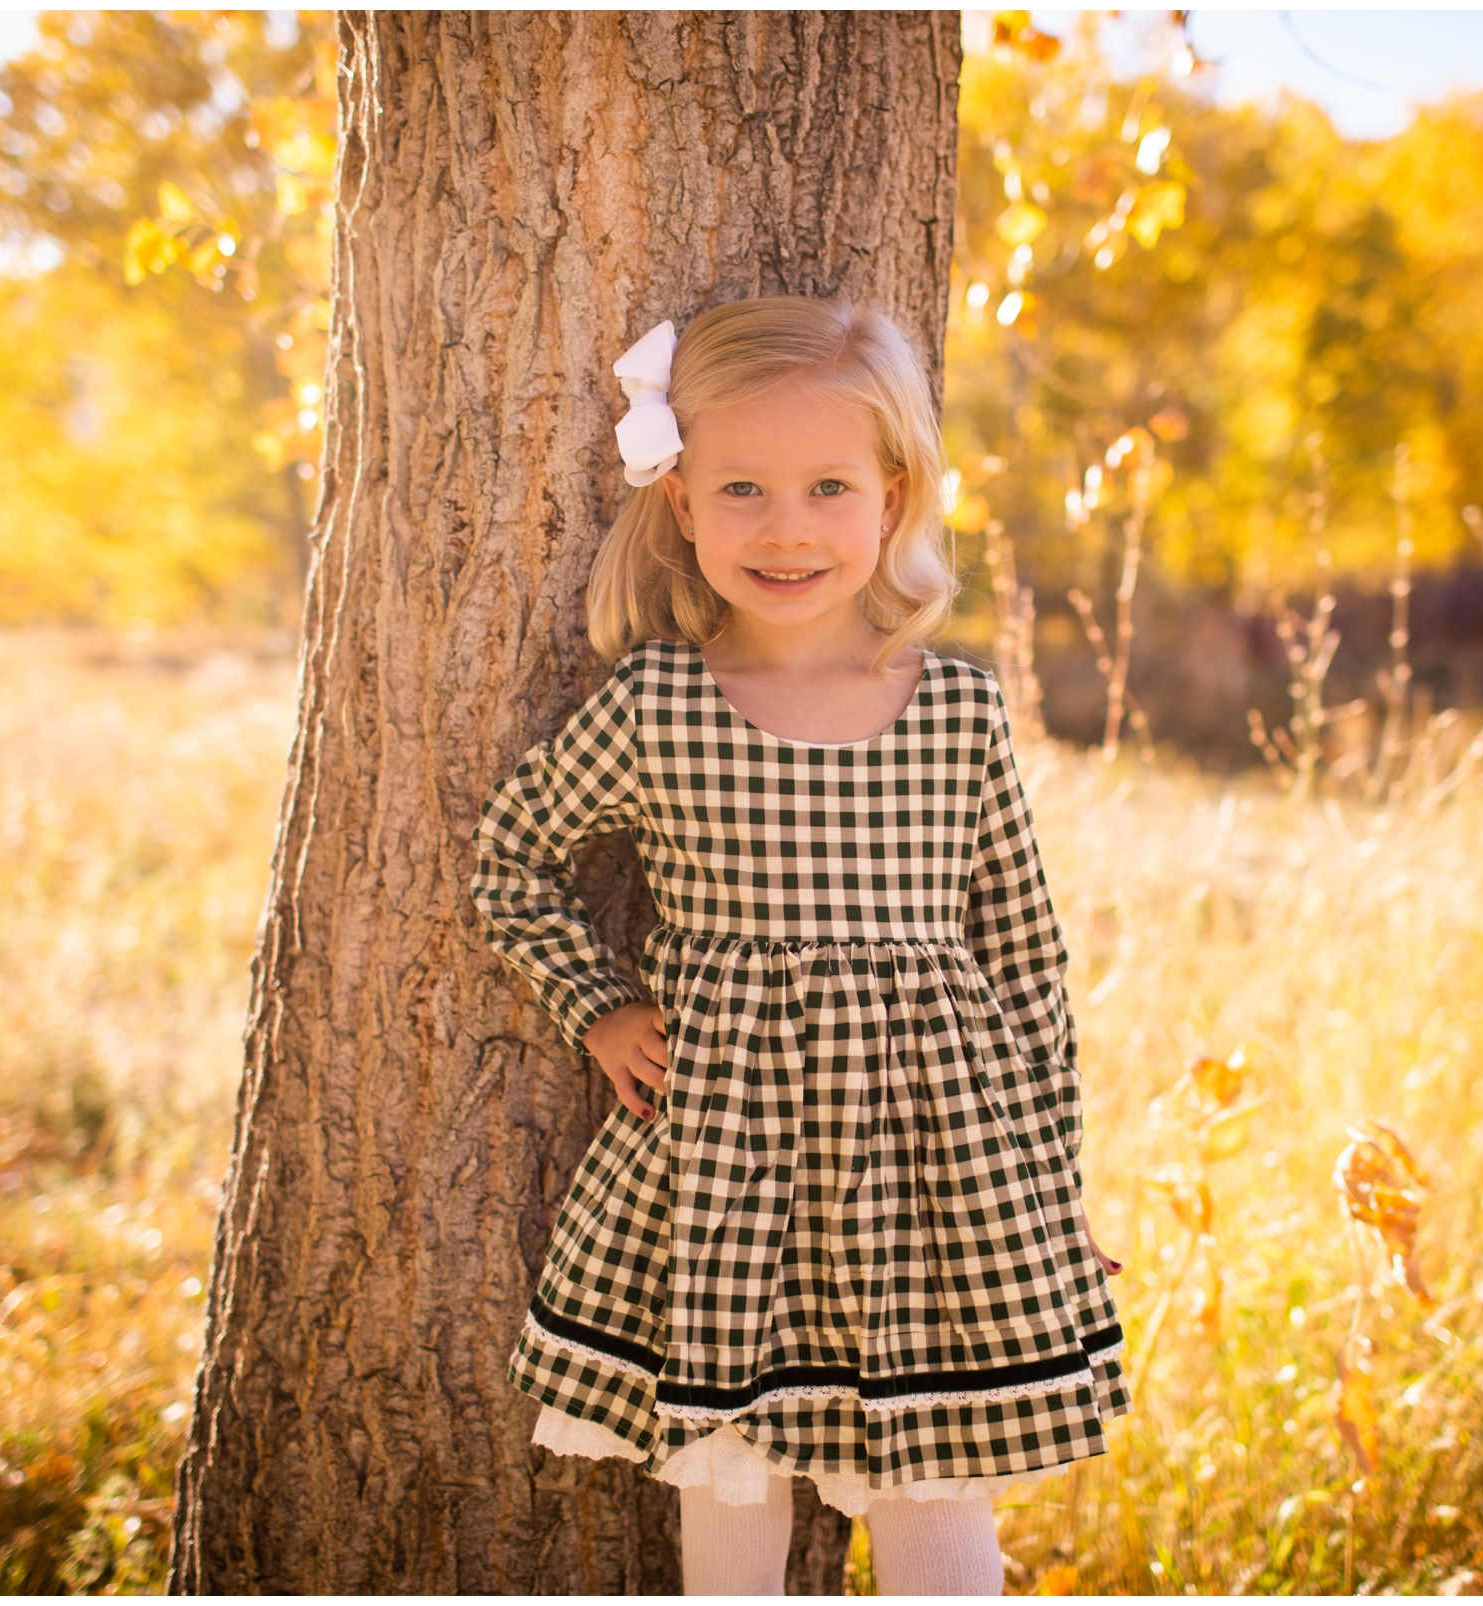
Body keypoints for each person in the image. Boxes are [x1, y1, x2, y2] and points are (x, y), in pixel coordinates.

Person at [470, 297, 1126, 1596]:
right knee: (735, 1474)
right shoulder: (661, 705)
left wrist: (1055, 1180)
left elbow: (1024, 959)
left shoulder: (956, 711)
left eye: (829, 485)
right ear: (682, 505)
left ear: (893, 495)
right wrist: (597, 1005)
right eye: (743, 489)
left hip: (934, 1171)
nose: (786, 527)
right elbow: (513, 859)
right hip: (732, 1166)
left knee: (937, 1478)